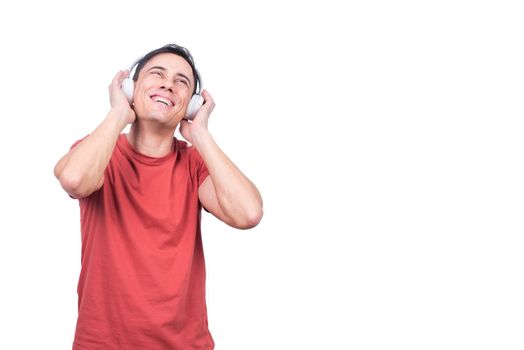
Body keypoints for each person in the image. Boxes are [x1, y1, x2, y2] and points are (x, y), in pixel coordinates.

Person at [54, 43, 263, 350]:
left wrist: (201, 136)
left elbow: (248, 214)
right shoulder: (100, 151)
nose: (169, 84)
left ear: (190, 105)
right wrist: (117, 114)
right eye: (157, 74)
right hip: (102, 344)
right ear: (130, 88)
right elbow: (74, 180)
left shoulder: (194, 163)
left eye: (182, 82)